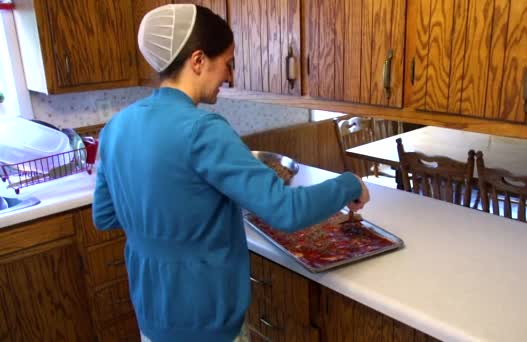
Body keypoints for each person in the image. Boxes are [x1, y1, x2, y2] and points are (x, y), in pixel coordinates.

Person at [92, 4, 369, 342]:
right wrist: (348, 183)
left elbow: (105, 216)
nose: (230, 77)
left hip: (152, 316)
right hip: (208, 322)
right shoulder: (202, 129)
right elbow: (285, 210)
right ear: (197, 61)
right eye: (227, 63)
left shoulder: (115, 127)